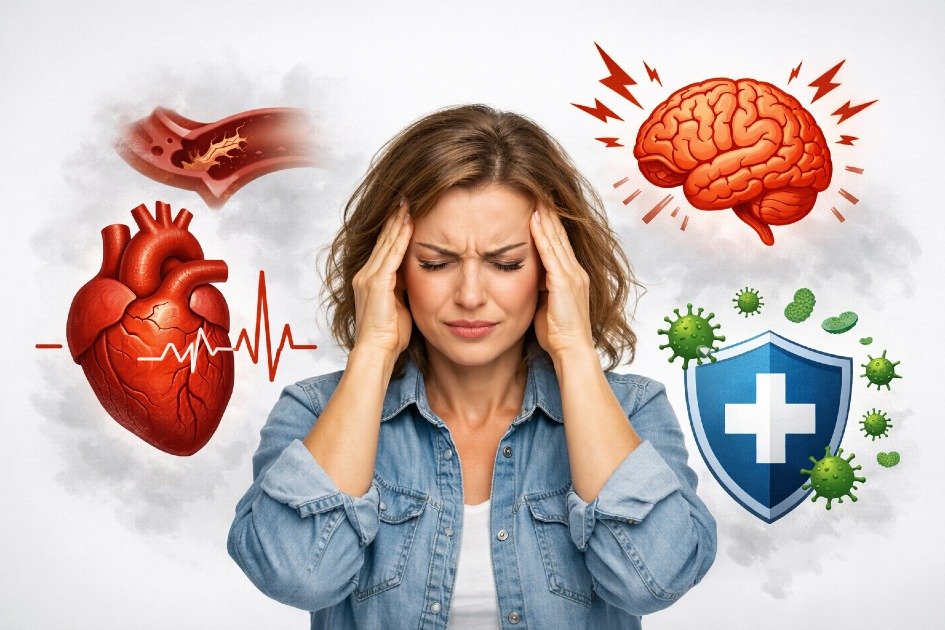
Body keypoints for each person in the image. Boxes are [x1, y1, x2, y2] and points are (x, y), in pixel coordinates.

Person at [227, 104, 717, 629]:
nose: (469, 295)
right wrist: (372, 350)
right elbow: (298, 577)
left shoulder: (633, 410)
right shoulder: (315, 412)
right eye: (435, 263)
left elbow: (653, 580)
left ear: (557, 270)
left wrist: (574, 348)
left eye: (506, 264)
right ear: (390, 270)